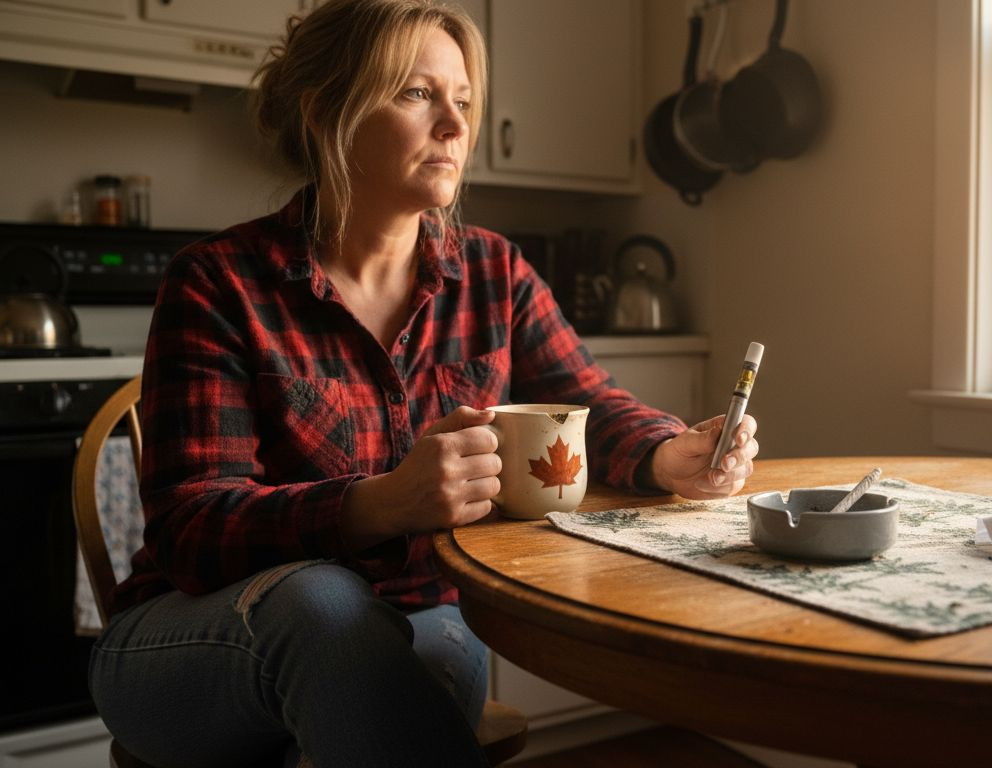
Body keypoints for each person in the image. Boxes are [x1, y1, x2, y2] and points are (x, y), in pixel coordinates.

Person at [86, 1, 760, 766]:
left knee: (416, 652)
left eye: (464, 102)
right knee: (325, 607)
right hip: (196, 638)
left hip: (413, 612)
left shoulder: (493, 273)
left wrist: (666, 452)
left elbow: (588, 402)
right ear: (326, 113)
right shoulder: (218, 284)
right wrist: (384, 502)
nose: (454, 125)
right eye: (416, 94)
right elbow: (191, 533)